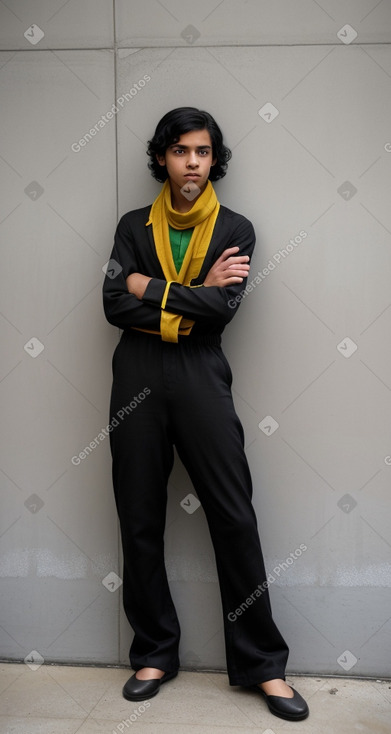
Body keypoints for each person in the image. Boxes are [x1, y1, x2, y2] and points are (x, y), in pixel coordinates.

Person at [102, 107, 309, 722]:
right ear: (162, 158)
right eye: (180, 151)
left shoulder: (237, 228)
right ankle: (155, 653)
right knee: (139, 516)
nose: (192, 162)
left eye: (202, 151)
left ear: (215, 158)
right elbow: (113, 302)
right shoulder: (132, 225)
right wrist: (189, 297)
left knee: (234, 516)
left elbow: (223, 311)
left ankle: (263, 665)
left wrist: (150, 287)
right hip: (136, 375)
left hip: (201, 375)